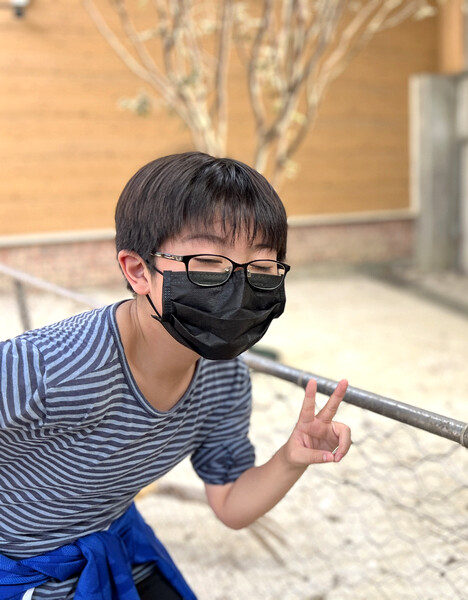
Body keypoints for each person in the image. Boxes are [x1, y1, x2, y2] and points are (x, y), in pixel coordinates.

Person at [0, 152, 351, 599]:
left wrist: (290, 458)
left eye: (262, 269)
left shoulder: (224, 381)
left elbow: (230, 503)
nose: (238, 289)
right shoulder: (51, 368)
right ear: (138, 270)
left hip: (110, 540)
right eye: (208, 262)